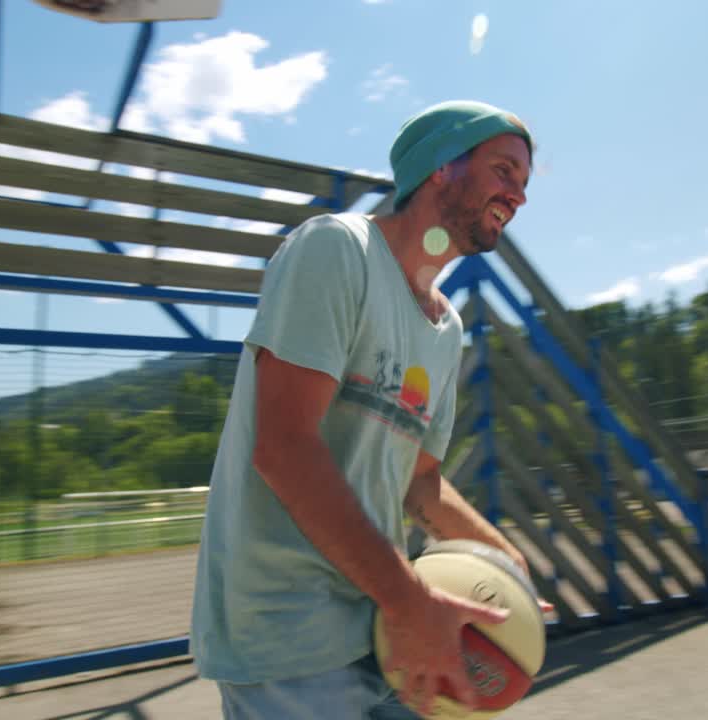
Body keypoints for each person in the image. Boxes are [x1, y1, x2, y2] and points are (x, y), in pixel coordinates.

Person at [190, 100, 535, 719]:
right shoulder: (335, 250)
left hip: (380, 630)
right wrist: (410, 600)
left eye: (523, 182)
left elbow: (420, 482)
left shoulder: (443, 328)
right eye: (505, 170)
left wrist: (507, 563)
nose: (519, 196)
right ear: (441, 168)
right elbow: (285, 449)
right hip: (287, 640)